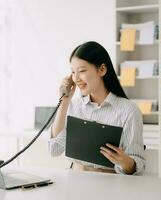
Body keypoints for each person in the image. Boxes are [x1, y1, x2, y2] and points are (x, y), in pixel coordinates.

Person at [48, 41, 145, 175]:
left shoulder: (129, 110)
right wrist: (64, 102)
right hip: (75, 180)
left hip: (110, 185)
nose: (76, 78)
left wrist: (125, 161)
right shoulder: (74, 106)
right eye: (72, 72)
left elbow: (137, 165)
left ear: (102, 69)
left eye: (81, 71)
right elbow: (54, 149)